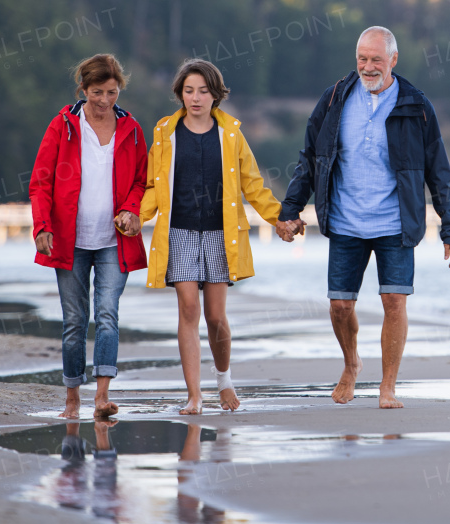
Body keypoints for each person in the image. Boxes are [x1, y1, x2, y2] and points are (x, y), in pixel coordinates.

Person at [278, 26, 450, 409]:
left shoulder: (415, 105)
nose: (367, 66)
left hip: (395, 223)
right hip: (346, 221)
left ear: (393, 60)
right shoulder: (334, 98)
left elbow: (438, 171)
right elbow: (311, 157)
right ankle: (351, 364)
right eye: (362, 58)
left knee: (394, 301)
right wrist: (290, 209)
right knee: (340, 306)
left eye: (376, 59)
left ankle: (388, 386)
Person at [141, 58, 292, 415]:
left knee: (215, 318)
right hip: (177, 230)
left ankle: (223, 380)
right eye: (189, 90)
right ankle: (194, 395)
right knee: (188, 309)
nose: (196, 98)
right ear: (180, 93)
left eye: (203, 91)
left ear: (216, 95)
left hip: (221, 234)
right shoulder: (165, 132)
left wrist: (279, 219)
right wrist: (134, 215)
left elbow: (253, 185)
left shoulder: (231, 134)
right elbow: (152, 185)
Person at [29, 53, 147, 420]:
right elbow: (41, 181)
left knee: (108, 315)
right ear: (83, 89)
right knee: (75, 321)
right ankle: (71, 401)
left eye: (112, 92)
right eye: (97, 92)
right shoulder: (62, 126)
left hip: (115, 241)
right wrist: (42, 226)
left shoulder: (132, 130)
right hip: (69, 241)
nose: (104, 101)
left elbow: (143, 180)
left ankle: (101, 397)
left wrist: (131, 207)